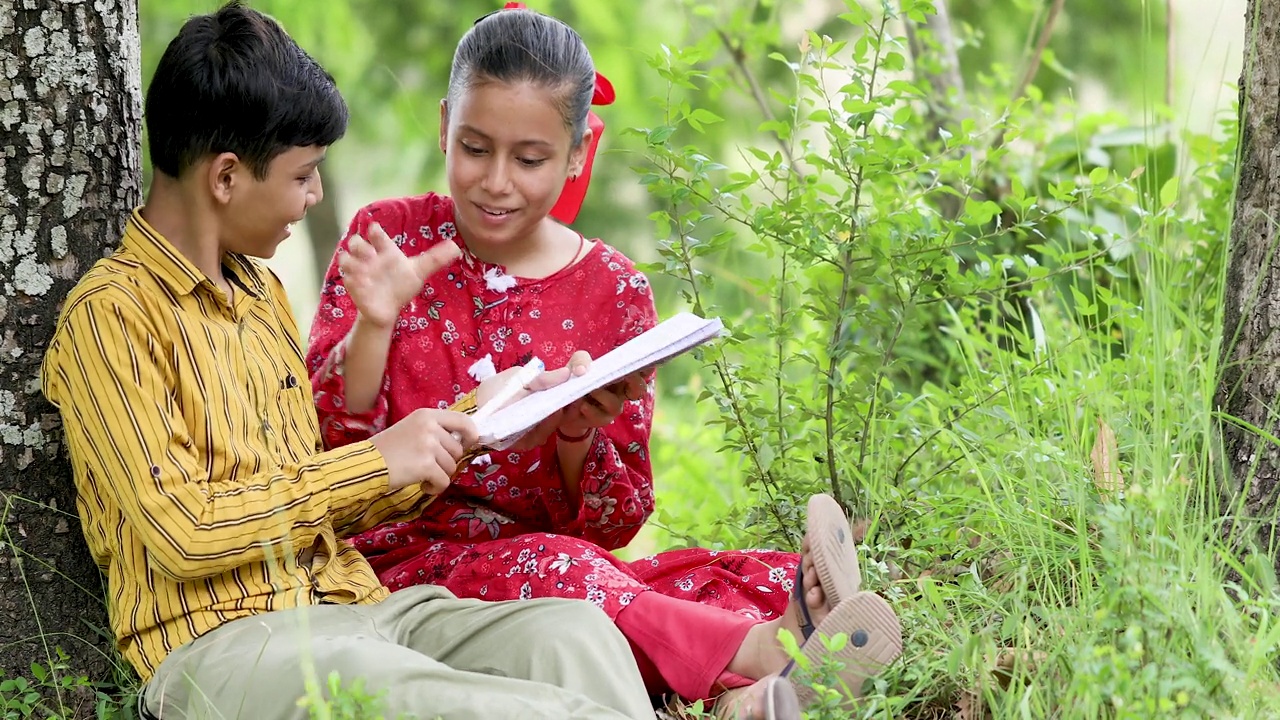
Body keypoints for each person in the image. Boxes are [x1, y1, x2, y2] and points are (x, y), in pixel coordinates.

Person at [39, 4, 661, 719]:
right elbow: (184, 531)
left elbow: (313, 486)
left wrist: (488, 417)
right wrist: (375, 461)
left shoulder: (260, 293)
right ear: (227, 178)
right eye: (304, 175)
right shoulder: (113, 316)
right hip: (227, 646)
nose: (316, 197)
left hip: (356, 607)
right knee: (467, 700)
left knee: (572, 635)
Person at [305, 5, 904, 719]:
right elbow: (326, 441)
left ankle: (748, 698)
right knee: (573, 578)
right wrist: (375, 324)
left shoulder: (614, 289)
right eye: (474, 148)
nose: (496, 181)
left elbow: (610, 526)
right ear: (443, 126)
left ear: (579, 151)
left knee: (735, 576)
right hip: (396, 565)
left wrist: (575, 433)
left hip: (548, 561)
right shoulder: (391, 237)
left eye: (529, 160)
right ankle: (763, 657)